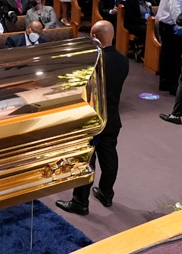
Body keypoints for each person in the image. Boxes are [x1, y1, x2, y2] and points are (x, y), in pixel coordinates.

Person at [55, 20, 129, 215]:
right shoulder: (123, 60)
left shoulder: (90, 62)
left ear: (94, 36)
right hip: (112, 118)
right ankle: (106, 193)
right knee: (109, 156)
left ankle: (80, 202)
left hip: (91, 120)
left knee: (85, 160)